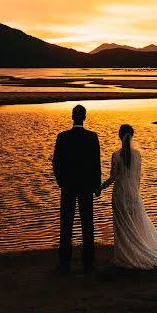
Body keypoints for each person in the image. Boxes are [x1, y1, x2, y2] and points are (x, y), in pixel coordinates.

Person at [99, 124, 157, 269]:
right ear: (132, 136)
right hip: (133, 195)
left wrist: (100, 188)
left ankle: (125, 257)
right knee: (135, 225)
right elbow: (137, 178)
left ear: (119, 135)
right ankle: (132, 255)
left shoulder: (116, 155)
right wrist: (135, 193)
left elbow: (113, 177)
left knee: (123, 227)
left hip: (120, 195)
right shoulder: (138, 155)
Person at [52, 104, 101, 273]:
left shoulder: (63, 137)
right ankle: (88, 260)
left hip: (68, 186)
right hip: (86, 185)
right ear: (84, 117)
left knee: (66, 223)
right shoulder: (92, 137)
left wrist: (61, 181)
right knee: (87, 223)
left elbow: (56, 162)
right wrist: (97, 186)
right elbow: (96, 163)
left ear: (72, 117)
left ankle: (65, 261)